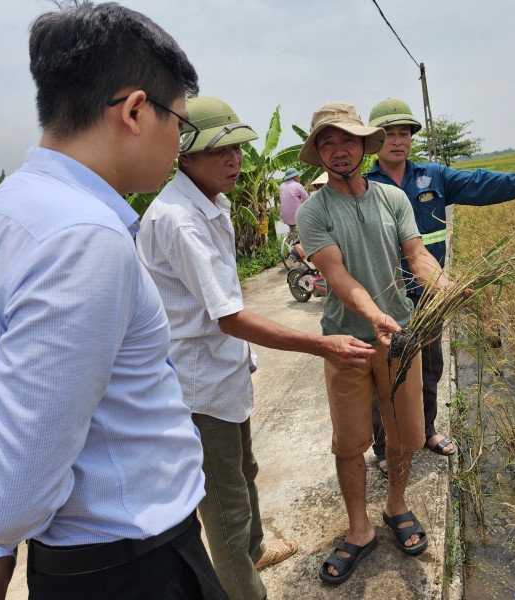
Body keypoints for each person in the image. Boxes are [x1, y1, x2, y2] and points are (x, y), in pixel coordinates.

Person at [0, 3, 227, 599]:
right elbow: (16, 493)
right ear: (137, 110)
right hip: (131, 566)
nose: (178, 141)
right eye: (180, 123)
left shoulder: (6, 212)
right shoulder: (83, 240)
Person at [136, 96, 375, 600]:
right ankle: (245, 588)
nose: (235, 160)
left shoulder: (212, 204)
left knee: (243, 472)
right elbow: (229, 316)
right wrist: (321, 344)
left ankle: (254, 550)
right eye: (218, 152)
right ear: (184, 156)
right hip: (197, 385)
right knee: (224, 504)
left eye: (239, 149)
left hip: (222, 373)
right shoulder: (179, 220)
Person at [296, 102, 464, 585]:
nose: (337, 149)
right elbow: (336, 274)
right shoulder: (313, 211)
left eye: (346, 139)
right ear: (319, 153)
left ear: (362, 144)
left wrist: (445, 287)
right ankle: (359, 527)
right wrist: (374, 316)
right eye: (326, 142)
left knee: (403, 431)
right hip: (347, 341)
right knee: (349, 442)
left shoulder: (392, 200)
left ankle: (396, 505)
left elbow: (417, 256)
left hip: (401, 337)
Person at [365, 98, 515, 476]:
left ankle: (425, 430)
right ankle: (385, 444)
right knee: (388, 371)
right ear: (373, 140)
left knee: (429, 365)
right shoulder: (365, 187)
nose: (397, 141)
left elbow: (483, 183)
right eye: (388, 134)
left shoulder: (432, 176)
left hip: (432, 293)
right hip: (387, 297)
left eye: (404, 133)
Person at [279, 166, 309, 231]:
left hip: (285, 216)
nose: (299, 177)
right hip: (296, 216)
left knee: (293, 230)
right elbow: (307, 200)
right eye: (298, 176)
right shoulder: (297, 185)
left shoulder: (282, 186)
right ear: (295, 177)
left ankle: (292, 237)